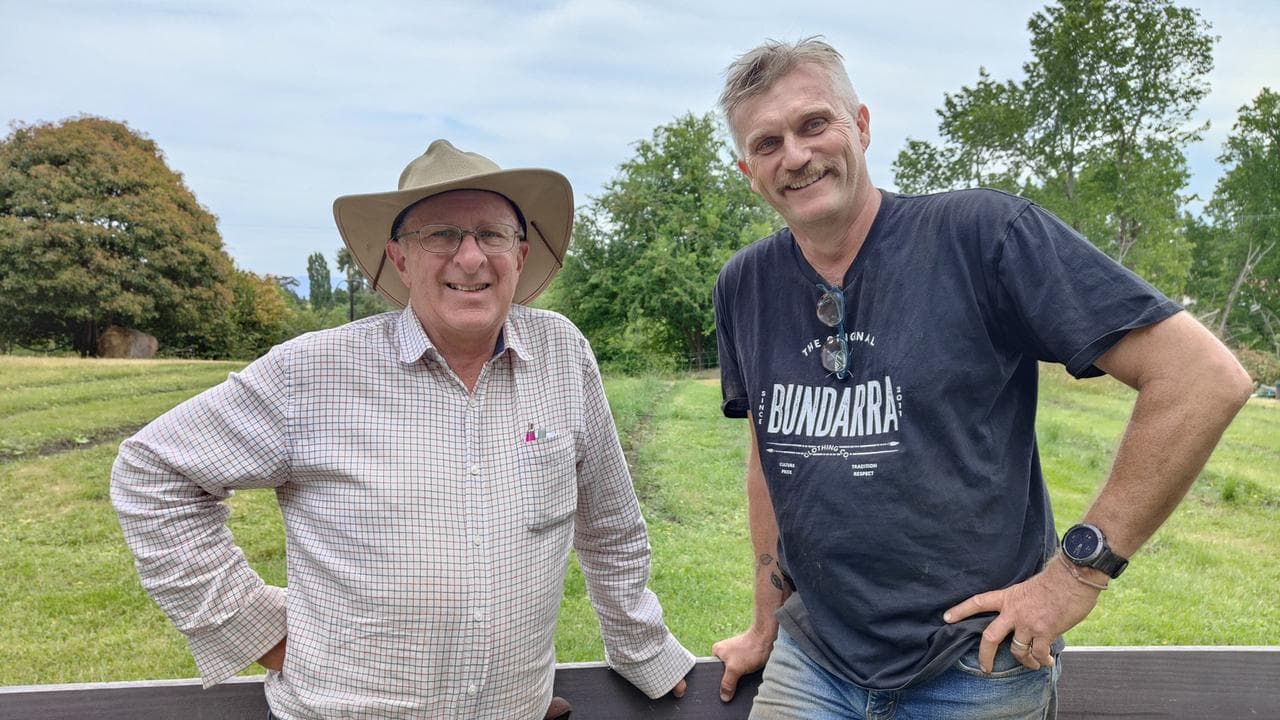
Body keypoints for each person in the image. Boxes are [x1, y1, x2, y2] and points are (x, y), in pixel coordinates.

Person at [708, 38, 1252, 719]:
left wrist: (1076, 576)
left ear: (862, 126)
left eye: (815, 123)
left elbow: (1201, 377)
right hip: (814, 661)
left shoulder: (983, 237)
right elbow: (770, 454)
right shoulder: (744, 285)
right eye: (767, 143)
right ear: (747, 172)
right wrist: (765, 620)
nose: (795, 154)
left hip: (976, 666)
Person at [112, 140, 694, 719]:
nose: (470, 258)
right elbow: (152, 471)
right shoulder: (313, 371)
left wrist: (643, 653)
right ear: (399, 258)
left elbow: (610, 526)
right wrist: (256, 630)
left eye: (491, 235)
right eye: (441, 235)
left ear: (519, 255)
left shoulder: (563, 353)